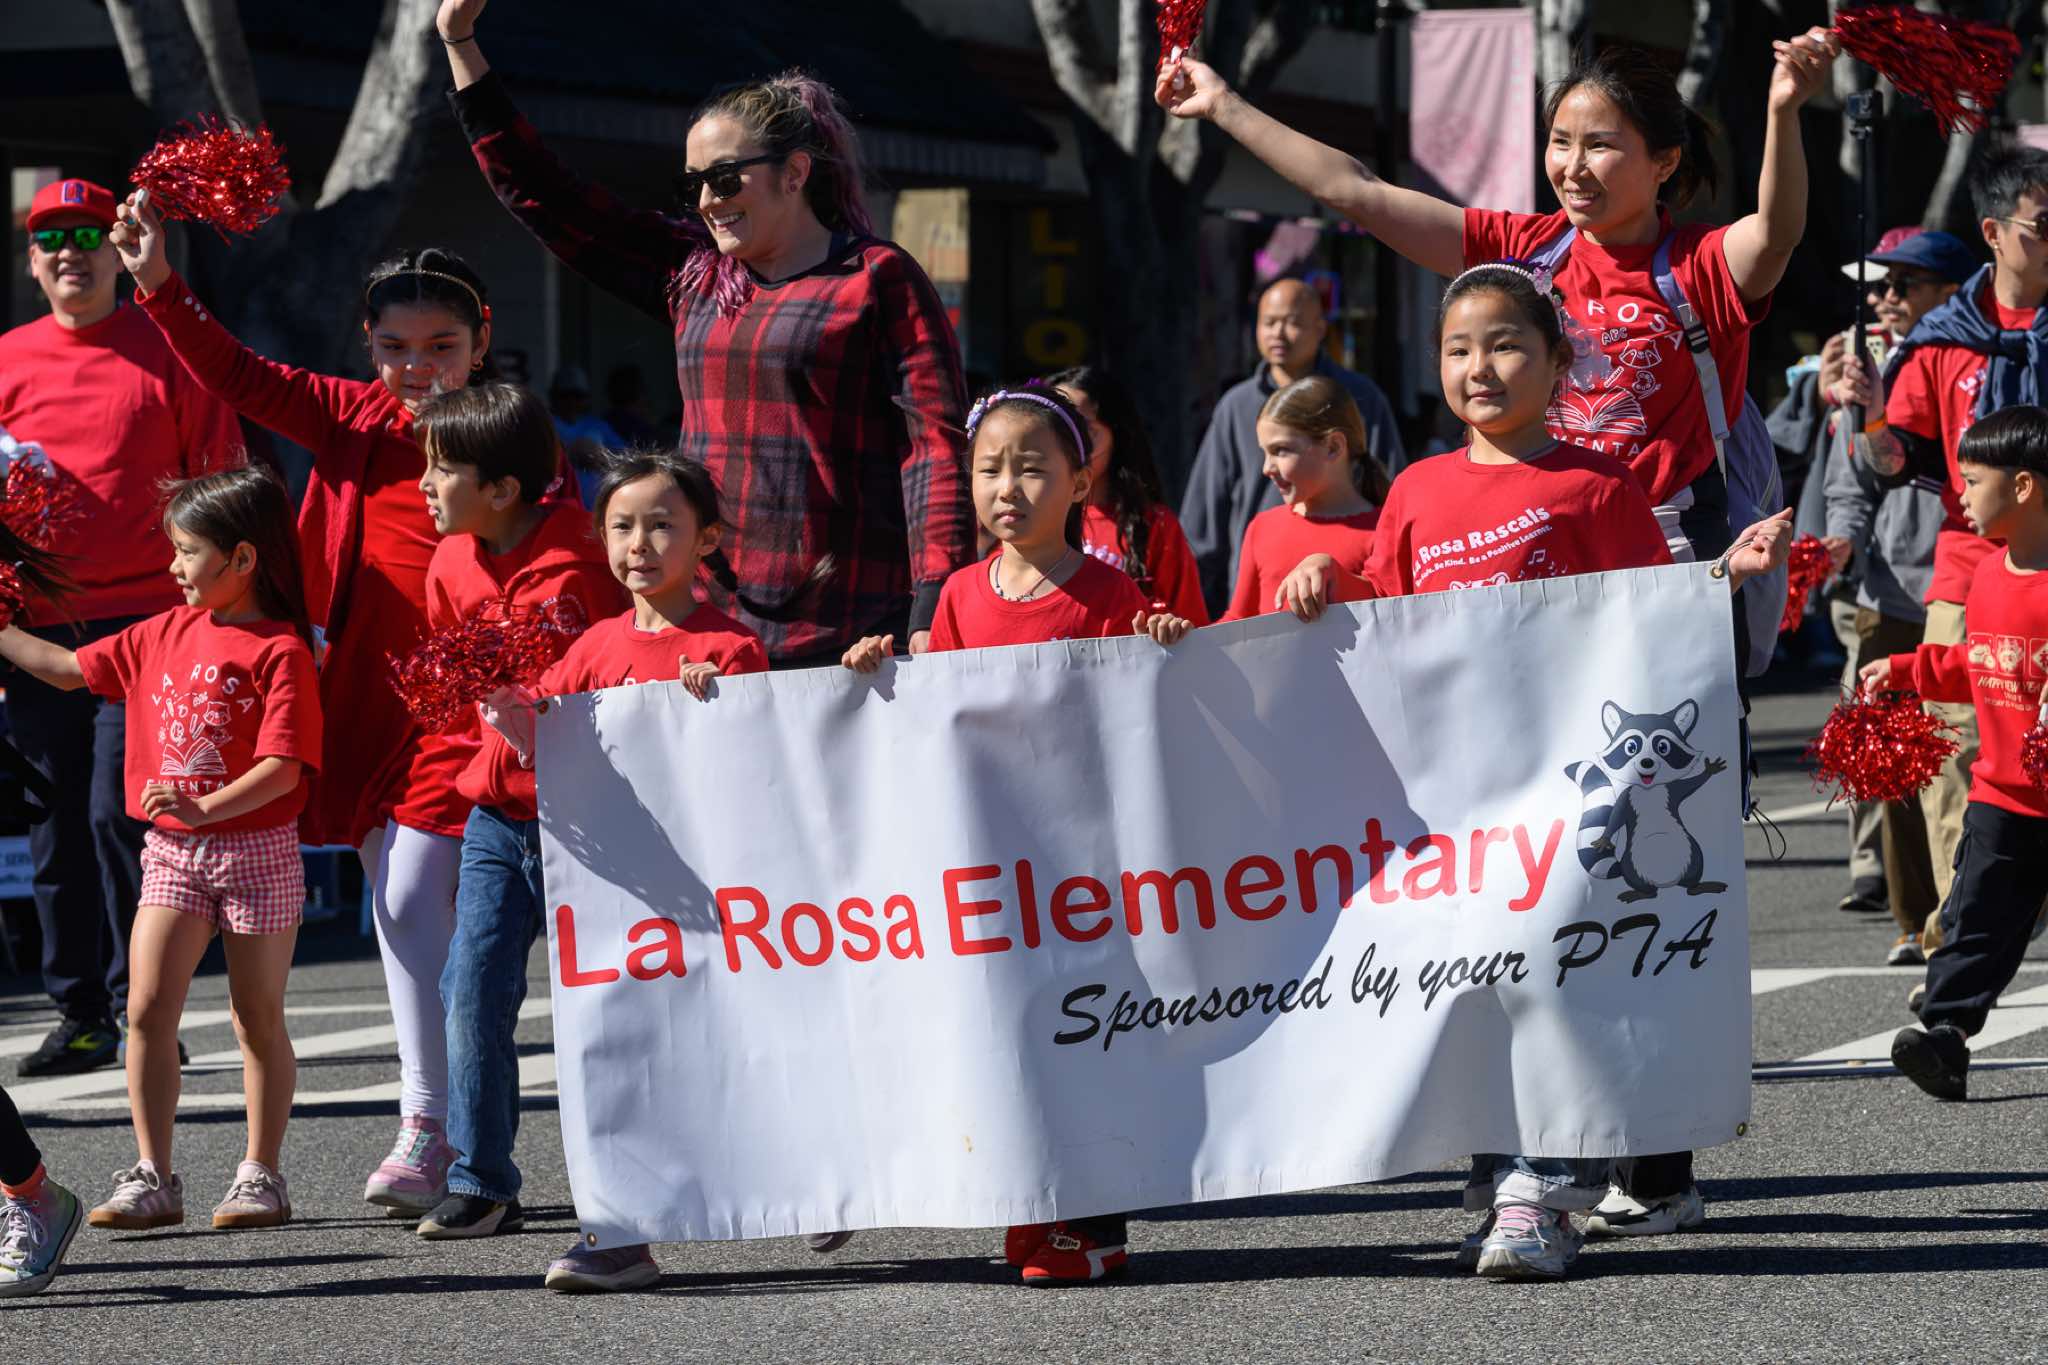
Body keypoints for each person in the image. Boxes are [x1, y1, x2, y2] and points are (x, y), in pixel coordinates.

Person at [1164, 27, 1832, 1239]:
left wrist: (1785, 108)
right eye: (1557, 142)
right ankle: (1531, 1146)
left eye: (1600, 145)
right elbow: (1354, 192)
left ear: (1662, 162)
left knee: (1638, 883)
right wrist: (1220, 105)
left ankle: (1655, 1156)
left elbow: (1776, 231)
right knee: (1515, 878)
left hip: (1656, 597)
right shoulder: (1522, 257)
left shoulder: (1694, 270)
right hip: (1516, 609)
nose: (1571, 165)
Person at [1275, 263, 1789, 1279]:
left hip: (1568, 802)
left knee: (1553, 979)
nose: (1480, 366)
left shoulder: (1598, 487)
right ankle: (1506, 1182)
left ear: (1558, 364)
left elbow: (1649, 622)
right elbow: (1386, 618)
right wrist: (1326, 573)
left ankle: (1540, 1193)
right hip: (1455, 807)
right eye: (1458, 349)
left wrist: (1719, 577)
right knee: (1479, 990)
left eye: (1506, 345)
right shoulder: (1417, 490)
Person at [109, 193, 498, 1211]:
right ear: (368, 345)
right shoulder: (348, 414)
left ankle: (442, 1122)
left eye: (442, 347)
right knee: (399, 912)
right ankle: (437, 1129)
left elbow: (563, 550)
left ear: (481, 342)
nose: (418, 368)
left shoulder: (507, 433)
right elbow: (236, 373)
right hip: (363, 699)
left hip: (475, 707)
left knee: (416, 906)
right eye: (395, 347)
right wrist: (157, 283)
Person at [442, 0, 974, 665]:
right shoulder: (693, 274)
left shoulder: (877, 277)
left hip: (857, 630)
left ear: (795, 172)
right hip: (707, 627)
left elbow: (934, 447)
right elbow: (549, 198)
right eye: (692, 183)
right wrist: (460, 43)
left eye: (723, 179)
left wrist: (936, 599)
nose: (705, 202)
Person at [843, 385, 1191, 1284]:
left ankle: (1098, 1225)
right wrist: (882, 670)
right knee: (1014, 1028)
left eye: (1033, 468)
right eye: (990, 469)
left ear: (1080, 483)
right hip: (999, 861)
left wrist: (1160, 643)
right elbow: (936, 716)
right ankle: (1039, 1195)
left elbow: (1146, 717)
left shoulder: (1110, 591)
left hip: (1088, 865)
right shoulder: (959, 594)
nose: (1009, 487)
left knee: (1089, 1035)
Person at [0, 464, 322, 1232]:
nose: (173, 565)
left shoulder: (281, 649)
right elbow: (68, 669)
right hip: (174, 854)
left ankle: (261, 1173)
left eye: (186, 550)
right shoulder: (161, 631)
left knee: (255, 1018)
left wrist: (204, 804)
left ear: (242, 558)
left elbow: (284, 768)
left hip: (259, 852)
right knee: (144, 1010)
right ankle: (154, 1174)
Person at [479, 447, 770, 1292]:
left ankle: (802, 1178)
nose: (638, 543)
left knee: (729, 1050)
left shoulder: (731, 647)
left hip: (709, 897)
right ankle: (616, 1233)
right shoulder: (590, 648)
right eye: (620, 526)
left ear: (707, 538)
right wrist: (515, 719)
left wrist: (717, 706)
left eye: (661, 524)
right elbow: (533, 761)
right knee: (617, 1059)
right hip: (614, 903)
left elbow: (764, 769)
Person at [0, 177, 241, 1078]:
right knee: (53, 822)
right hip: (36, 627)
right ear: (32, 263)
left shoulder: (169, 344)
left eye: (88, 235)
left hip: (151, 619)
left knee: (121, 811)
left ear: (117, 247)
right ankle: (82, 1014)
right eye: (51, 239)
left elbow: (219, 477)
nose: (71, 253)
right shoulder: (7, 358)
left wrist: (220, 609)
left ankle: (148, 1005)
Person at [408, 385, 624, 1243]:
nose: (424, 484)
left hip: (598, 814)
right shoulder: (447, 564)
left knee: (614, 999)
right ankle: (481, 1180)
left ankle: (636, 1178)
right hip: (497, 813)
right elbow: (453, 689)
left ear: (501, 488)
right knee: (470, 987)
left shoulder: (590, 551)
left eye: (441, 468)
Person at [1851, 145, 2048, 951]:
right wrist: (1868, 413)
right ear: (1994, 233)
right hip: (1971, 569)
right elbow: (1895, 458)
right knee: (1955, 748)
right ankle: (1958, 928)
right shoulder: (1941, 339)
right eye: (2043, 225)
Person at [1860, 404, 2048, 1101]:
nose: (1959, 495)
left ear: (2022, 486)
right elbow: (1979, 661)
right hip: (2002, 796)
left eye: (1971, 481)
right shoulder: (1989, 574)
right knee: (1976, 922)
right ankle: (1945, 1035)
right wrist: (1908, 669)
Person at [1824, 228, 1974, 960]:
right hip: (1888, 593)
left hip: (1969, 586)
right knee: (1896, 764)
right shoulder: (1866, 371)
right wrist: (1841, 540)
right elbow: (1851, 477)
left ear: (1952, 292)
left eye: (1901, 285)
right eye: (1878, 287)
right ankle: (1917, 921)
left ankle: (1981, 905)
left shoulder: (1978, 360)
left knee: (1970, 760)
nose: (1884, 298)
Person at [1179, 278, 1403, 615]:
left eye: (1292, 322)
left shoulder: (1361, 397)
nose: (1278, 334)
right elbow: (1205, 516)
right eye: (1268, 322)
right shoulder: (1235, 406)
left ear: (1320, 328)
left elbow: (1391, 486)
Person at [1047, 365, 1208, 624]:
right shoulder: (1029, 519)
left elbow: (1192, 624)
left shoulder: (1155, 525)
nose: (1070, 446)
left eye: (1084, 431)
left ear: (1117, 435)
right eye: (1057, 431)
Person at [1222, 375, 1390, 621]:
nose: (1266, 468)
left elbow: (1391, 616)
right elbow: (1237, 621)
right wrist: (1183, 634)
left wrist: (1336, 575)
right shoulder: (1262, 528)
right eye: (1265, 453)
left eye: (1280, 450)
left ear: (1333, 447)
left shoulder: (1385, 530)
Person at [547, 365, 624, 505]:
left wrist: (600, 455)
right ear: (553, 396)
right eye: (565, 395)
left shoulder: (597, 426)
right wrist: (569, 452)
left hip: (595, 509)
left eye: (578, 396)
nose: (571, 401)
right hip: (557, 508)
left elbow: (624, 459)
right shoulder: (546, 424)